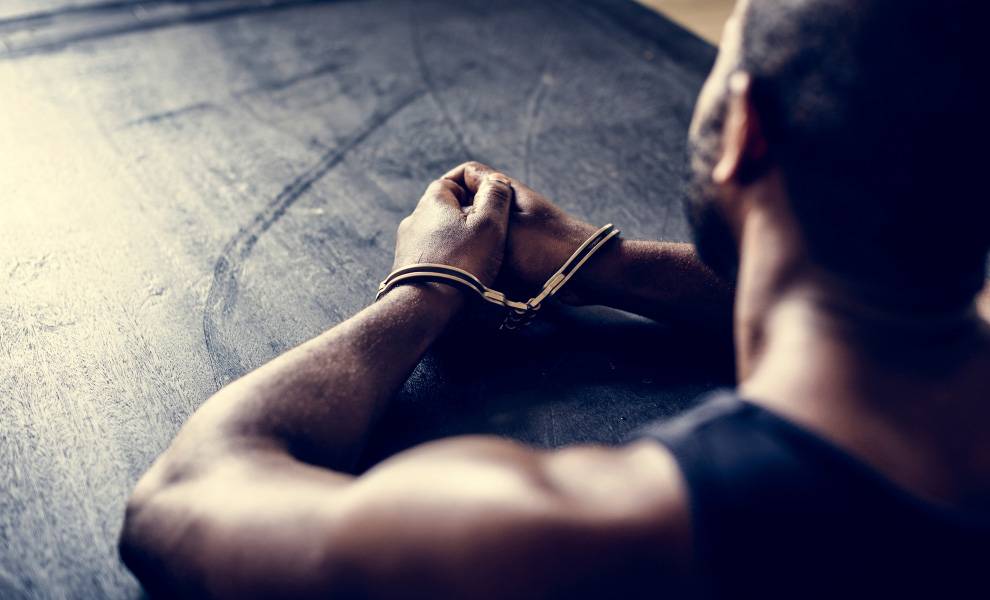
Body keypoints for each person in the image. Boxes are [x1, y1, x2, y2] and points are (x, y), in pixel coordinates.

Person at [119, 0, 990, 597]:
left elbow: (183, 498)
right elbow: (862, 296)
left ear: (745, 130)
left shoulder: (594, 538)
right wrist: (602, 263)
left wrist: (428, 287)